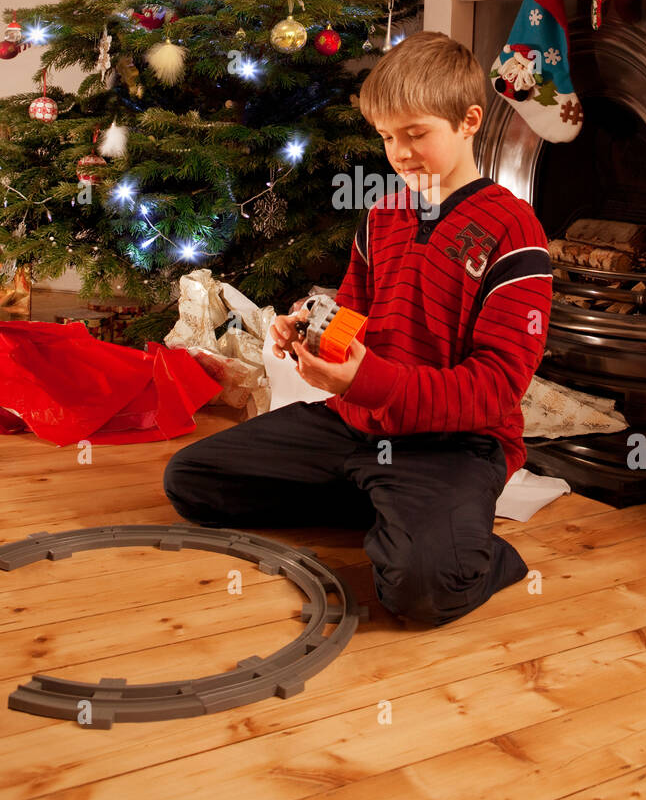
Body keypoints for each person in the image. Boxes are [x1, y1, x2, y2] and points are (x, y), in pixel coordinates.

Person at [163, 31, 554, 627]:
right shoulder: (382, 216)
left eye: (416, 134)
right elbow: (354, 312)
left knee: (421, 593)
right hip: (356, 426)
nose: (399, 153)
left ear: (469, 121)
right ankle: (390, 504)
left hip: (453, 444)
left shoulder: (513, 232)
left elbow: (496, 389)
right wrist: (308, 331)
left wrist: (368, 380)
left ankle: (469, 550)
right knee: (191, 481)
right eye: (386, 137)